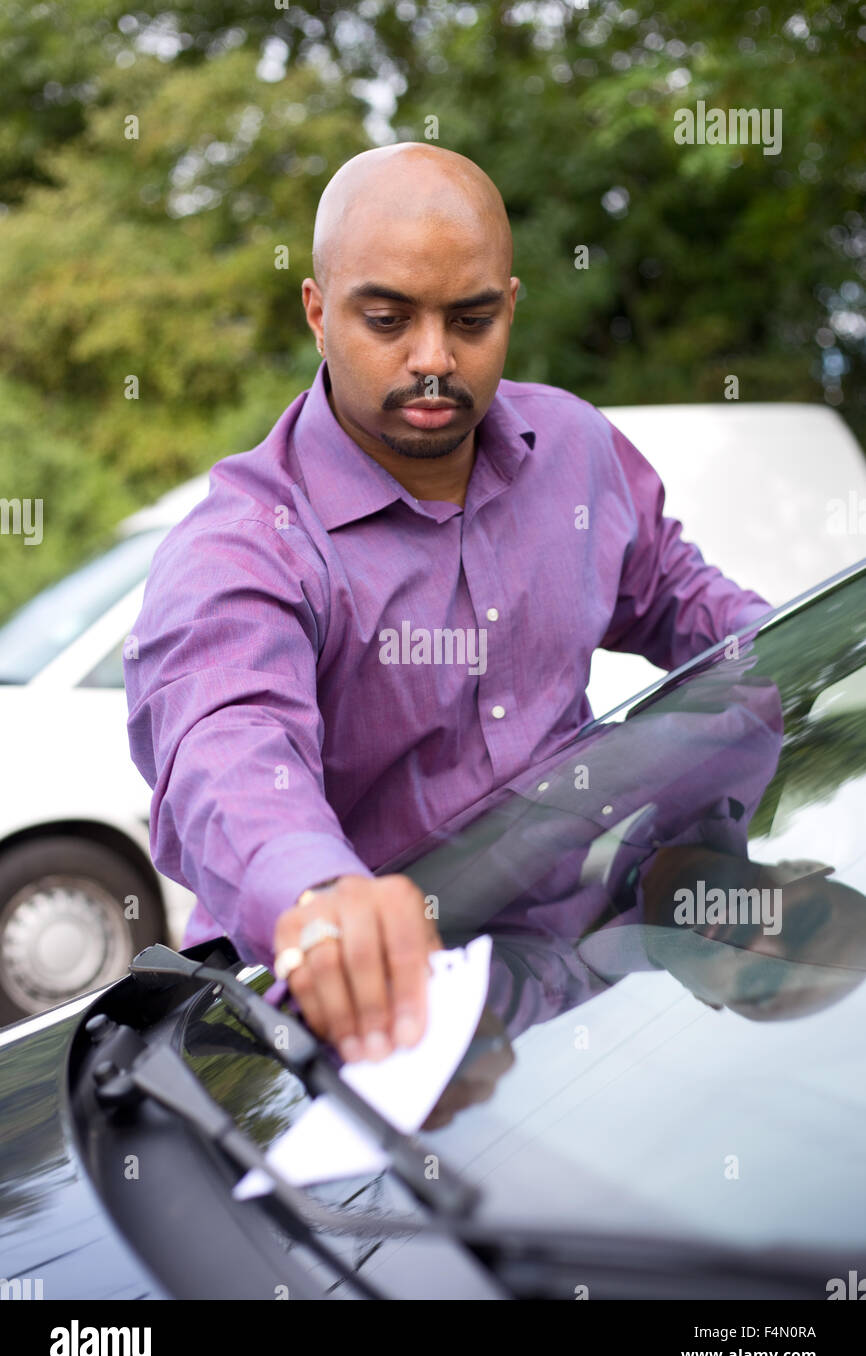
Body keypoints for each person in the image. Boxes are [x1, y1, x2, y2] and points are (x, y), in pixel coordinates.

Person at [125, 141, 772, 1067]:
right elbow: (227, 749)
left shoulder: (575, 451)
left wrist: (790, 662)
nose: (434, 360)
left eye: (471, 320)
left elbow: (679, 593)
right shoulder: (244, 549)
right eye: (386, 319)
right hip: (350, 1042)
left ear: (510, 307)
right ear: (317, 312)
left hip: (576, 1002)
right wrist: (318, 897)